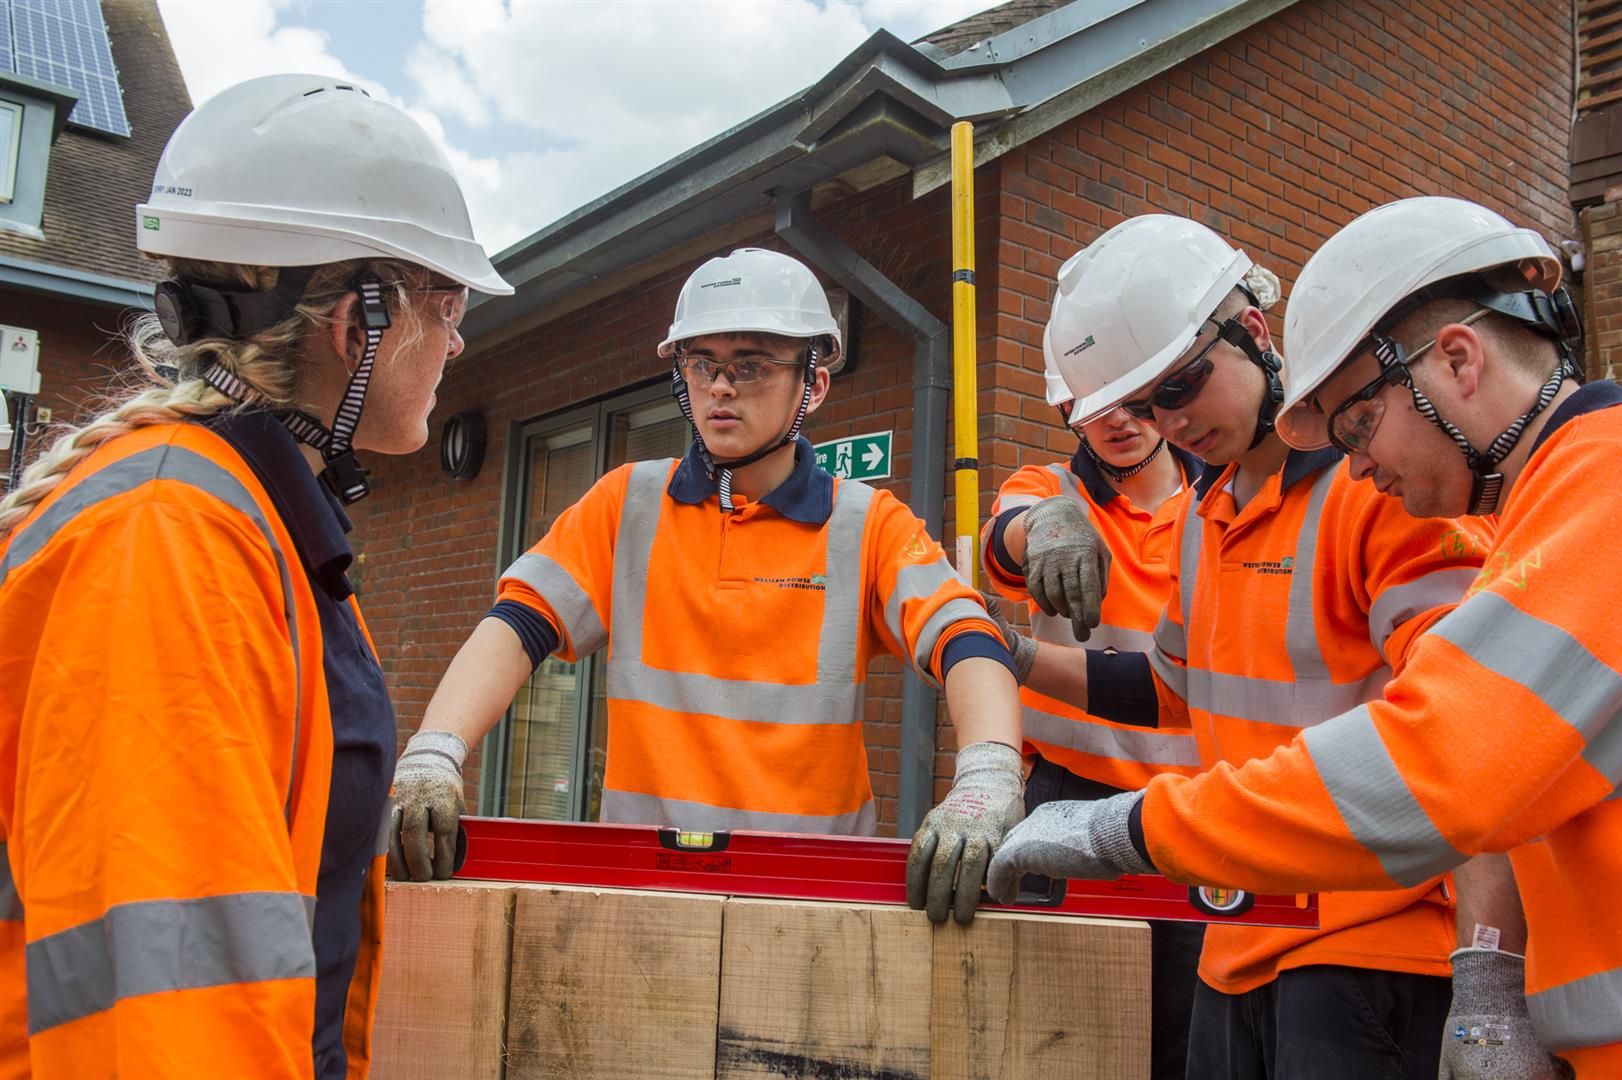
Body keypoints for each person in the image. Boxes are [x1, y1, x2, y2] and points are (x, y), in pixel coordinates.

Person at [988, 196, 1614, 1077]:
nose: (1168, 425)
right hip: (1235, 934)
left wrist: (1486, 977)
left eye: (1181, 386)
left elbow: (1458, 760)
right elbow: (1172, 690)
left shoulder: (1407, 499)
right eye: (1141, 405)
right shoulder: (1209, 511)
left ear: (1251, 330)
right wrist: (1007, 657)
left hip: (1366, 948)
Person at [0, 74, 511, 1079]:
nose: (458, 339)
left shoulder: (249, 523)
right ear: (357, 324)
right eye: (446, 306)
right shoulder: (169, 539)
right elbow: (164, 1002)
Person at [389, 247, 1044, 925]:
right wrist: (435, 751)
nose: (721, 387)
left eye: (751, 365)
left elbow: (970, 640)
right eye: (702, 364)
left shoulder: (867, 524)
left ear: (814, 385)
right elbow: (515, 625)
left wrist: (987, 774)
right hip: (637, 892)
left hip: (813, 904)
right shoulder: (627, 505)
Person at [980, 343, 1207, 1080]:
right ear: (1066, 412)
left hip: (1194, 814)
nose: (1116, 420)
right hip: (1067, 800)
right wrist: (1045, 523)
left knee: (1186, 1034)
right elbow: (1005, 535)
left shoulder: (1222, 502)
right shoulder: (1046, 487)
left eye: (1134, 397)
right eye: (1091, 403)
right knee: (1060, 1034)